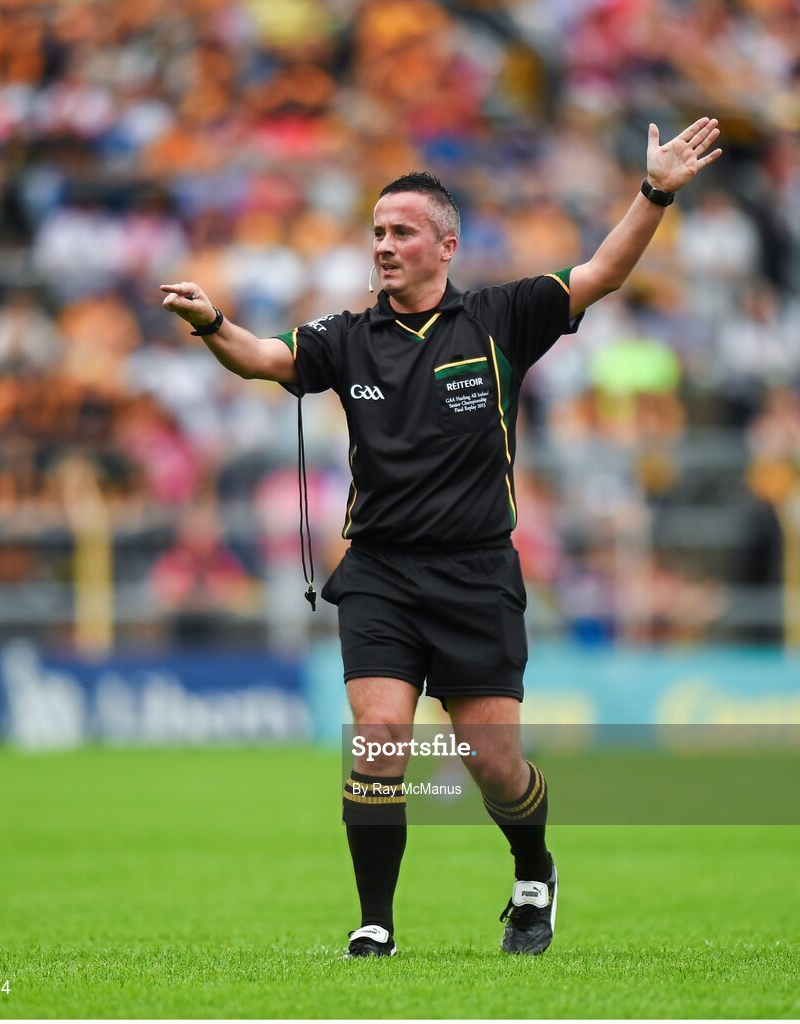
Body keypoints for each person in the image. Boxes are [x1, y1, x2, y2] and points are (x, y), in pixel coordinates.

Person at [161, 117, 722, 958]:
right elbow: (260, 359)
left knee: (493, 765)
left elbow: (603, 271)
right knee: (379, 734)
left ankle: (532, 872)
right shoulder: (342, 337)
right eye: (376, 233)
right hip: (380, 573)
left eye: (401, 232)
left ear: (446, 244)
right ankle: (374, 923)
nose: (383, 246)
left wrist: (653, 192)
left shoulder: (501, 316)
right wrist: (212, 324)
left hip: (475, 574)